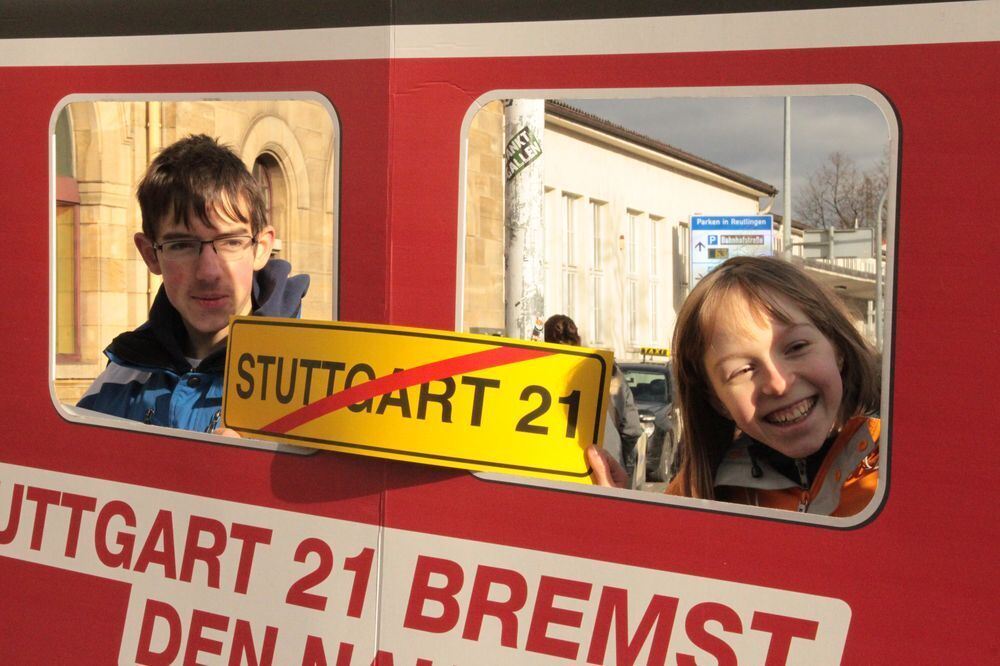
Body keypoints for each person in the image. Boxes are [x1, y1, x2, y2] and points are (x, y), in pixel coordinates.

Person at [77, 134, 309, 434]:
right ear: (151, 255)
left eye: (231, 242)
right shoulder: (118, 378)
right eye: (182, 245)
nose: (209, 272)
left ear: (261, 247)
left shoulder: (312, 382)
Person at [666, 256, 880, 515]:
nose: (778, 384)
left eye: (797, 347)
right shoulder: (697, 493)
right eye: (743, 370)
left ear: (838, 349)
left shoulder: (910, 465)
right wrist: (623, 520)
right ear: (716, 400)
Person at [543, 314, 643, 482]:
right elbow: (631, 428)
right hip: (603, 469)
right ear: (577, 337)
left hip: (553, 472)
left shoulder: (539, 371)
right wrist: (620, 458)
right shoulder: (608, 372)